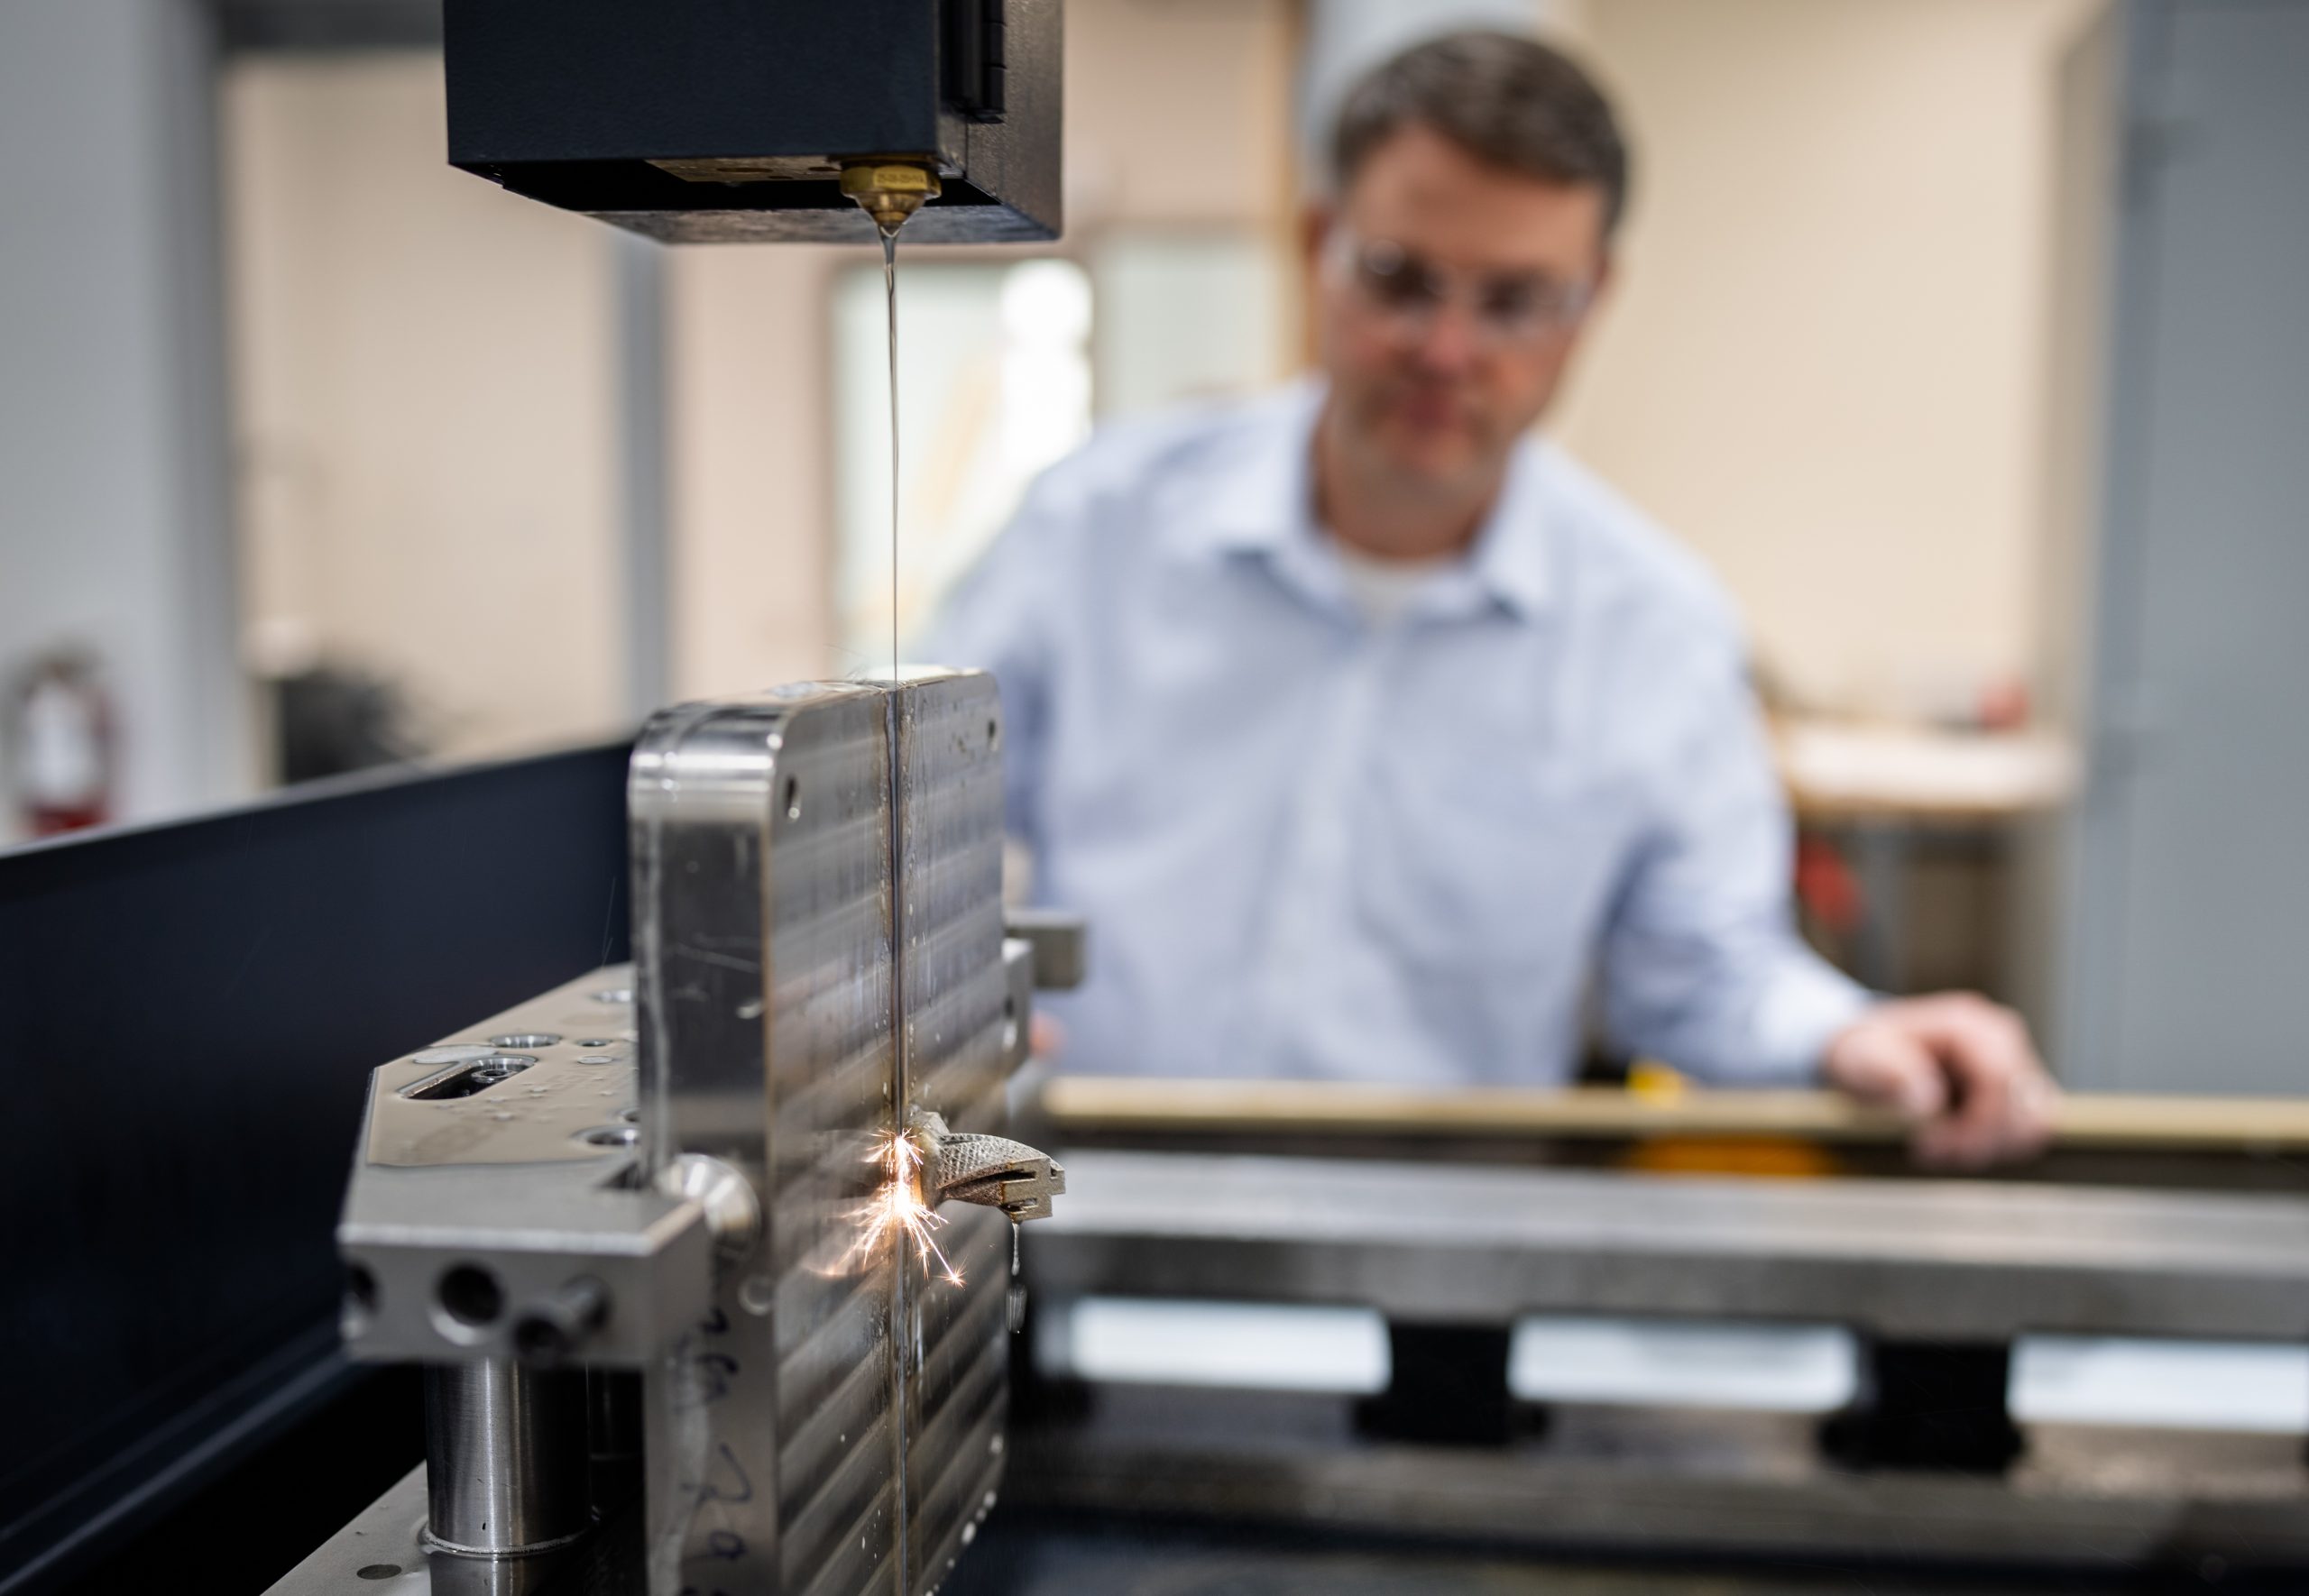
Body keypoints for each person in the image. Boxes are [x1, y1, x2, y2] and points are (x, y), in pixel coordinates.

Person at [925, 30, 2056, 1167]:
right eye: (1400, 280)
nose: (1447, 350)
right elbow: (912, 833)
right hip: (1088, 1222)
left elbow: (1705, 978)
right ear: (1320, 243)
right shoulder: (1096, 529)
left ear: (1591, 301)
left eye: (1514, 301)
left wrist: (1854, 1033)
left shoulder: (1651, 634)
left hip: (1441, 1277)